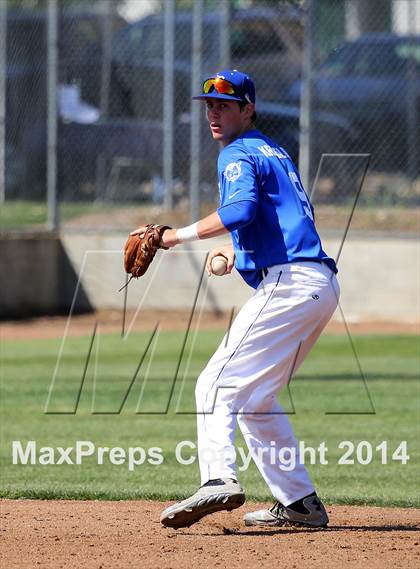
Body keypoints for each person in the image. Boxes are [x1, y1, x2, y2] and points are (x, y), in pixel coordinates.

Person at [130, 70, 340, 530]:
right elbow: (272, 218)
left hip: (289, 285)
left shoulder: (239, 152)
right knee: (255, 399)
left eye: (225, 104)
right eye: (209, 105)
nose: (214, 112)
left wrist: (172, 236)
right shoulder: (274, 151)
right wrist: (238, 251)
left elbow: (241, 210)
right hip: (316, 284)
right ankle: (300, 502)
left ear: (249, 109)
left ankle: (217, 478)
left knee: (214, 384)